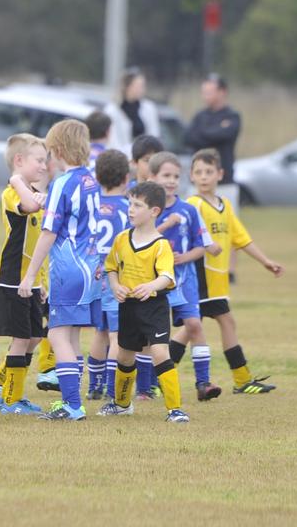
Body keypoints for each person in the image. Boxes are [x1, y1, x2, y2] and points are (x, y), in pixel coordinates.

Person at [17, 119, 100, 422]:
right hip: (91, 267)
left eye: (50, 152)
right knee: (72, 336)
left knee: (57, 334)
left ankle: (72, 405)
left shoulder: (63, 184)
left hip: (69, 268)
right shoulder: (91, 181)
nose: (49, 159)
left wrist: (29, 276)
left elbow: (49, 233)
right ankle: (74, 401)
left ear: (60, 150)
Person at [187, 148, 283, 395]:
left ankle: (158, 375)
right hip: (201, 275)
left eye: (209, 171)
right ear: (191, 176)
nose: (204, 176)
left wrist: (265, 261)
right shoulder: (192, 205)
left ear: (221, 174)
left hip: (219, 278)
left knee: (192, 327)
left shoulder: (225, 205)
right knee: (216, 323)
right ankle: (242, 380)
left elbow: (242, 239)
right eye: (198, 172)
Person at [97, 181, 190, 423]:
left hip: (154, 306)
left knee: (160, 352)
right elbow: (111, 268)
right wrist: (116, 286)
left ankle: (175, 410)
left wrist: (150, 286)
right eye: (130, 204)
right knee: (125, 356)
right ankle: (122, 404)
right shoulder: (121, 239)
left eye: (137, 205)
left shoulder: (160, 245)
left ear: (154, 212)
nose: (130, 209)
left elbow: (167, 276)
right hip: (128, 306)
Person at [0, 133, 49, 415]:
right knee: (21, 338)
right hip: (13, 278)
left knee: (35, 336)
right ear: (19, 160)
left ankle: (9, 389)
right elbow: (31, 206)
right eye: (39, 160)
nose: (44, 166)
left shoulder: (30, 190)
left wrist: (41, 281)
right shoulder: (12, 192)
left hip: (31, 281)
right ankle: (10, 400)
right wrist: (16, 180)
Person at [150, 151, 218, 401]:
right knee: (154, 334)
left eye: (175, 176)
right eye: (166, 175)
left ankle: (204, 383)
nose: (171, 181)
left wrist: (184, 257)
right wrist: (166, 226)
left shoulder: (188, 210)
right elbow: (139, 239)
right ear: (153, 177)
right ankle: (148, 385)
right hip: (156, 282)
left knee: (195, 325)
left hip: (186, 279)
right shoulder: (148, 209)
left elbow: (201, 246)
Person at [87, 149, 132, 402]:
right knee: (117, 336)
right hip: (117, 278)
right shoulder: (129, 209)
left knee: (100, 333)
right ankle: (114, 389)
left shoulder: (93, 207)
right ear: (126, 178)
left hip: (94, 276)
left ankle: (95, 386)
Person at [186, 74, 242, 204]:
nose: (205, 96)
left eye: (209, 92)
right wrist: (215, 132)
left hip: (224, 183)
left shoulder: (232, 116)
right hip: (197, 184)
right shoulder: (199, 116)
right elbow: (188, 138)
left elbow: (225, 135)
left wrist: (202, 134)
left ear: (222, 92)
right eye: (203, 92)